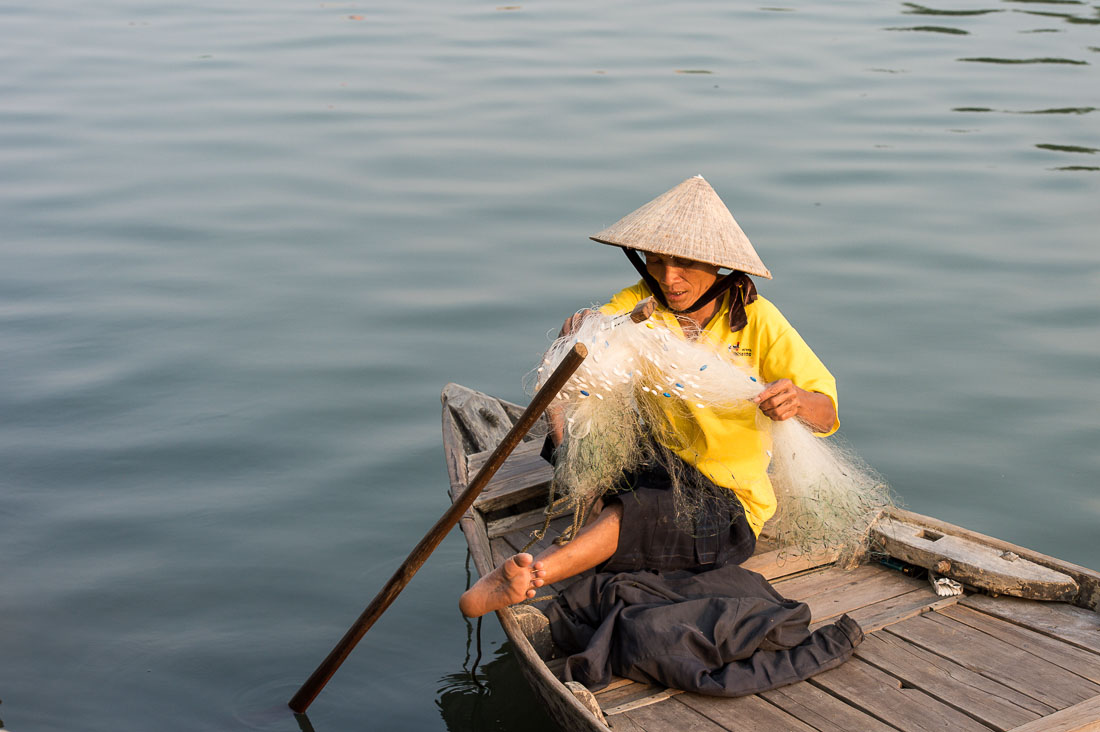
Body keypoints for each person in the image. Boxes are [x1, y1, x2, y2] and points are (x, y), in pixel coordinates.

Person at [459, 175, 840, 619]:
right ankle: (591, 503)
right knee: (574, 425)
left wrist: (793, 401)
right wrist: (579, 338)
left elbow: (827, 412)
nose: (669, 278)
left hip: (728, 498)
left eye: (684, 265)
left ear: (719, 267)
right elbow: (599, 333)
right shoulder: (642, 303)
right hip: (657, 461)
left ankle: (535, 573)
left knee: (636, 514)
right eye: (656, 261)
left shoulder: (758, 321)